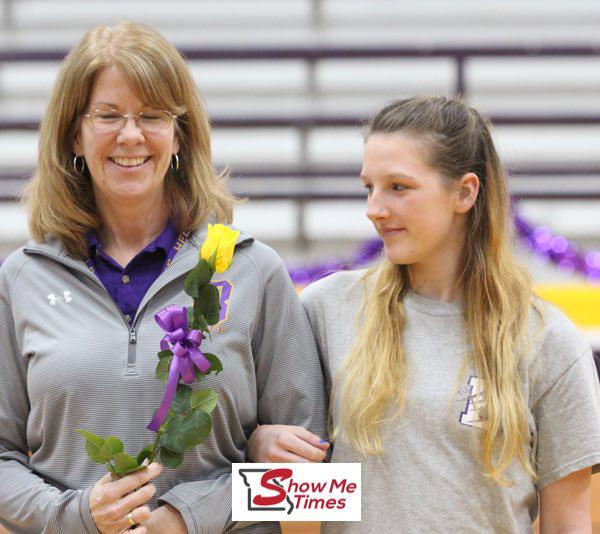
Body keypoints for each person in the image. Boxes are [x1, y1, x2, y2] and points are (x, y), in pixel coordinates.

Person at [0, 22, 327, 534]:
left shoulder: (254, 272)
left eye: (152, 115)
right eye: (107, 115)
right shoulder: (20, 279)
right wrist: (80, 516)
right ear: (73, 135)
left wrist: (186, 518)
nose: (131, 135)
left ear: (180, 134)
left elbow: (316, 483)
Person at [251, 96, 600, 532]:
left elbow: (568, 523)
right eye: (369, 187)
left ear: (465, 192)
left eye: (398, 186)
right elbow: (269, 482)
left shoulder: (547, 339)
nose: (374, 208)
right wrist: (258, 444)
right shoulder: (325, 309)